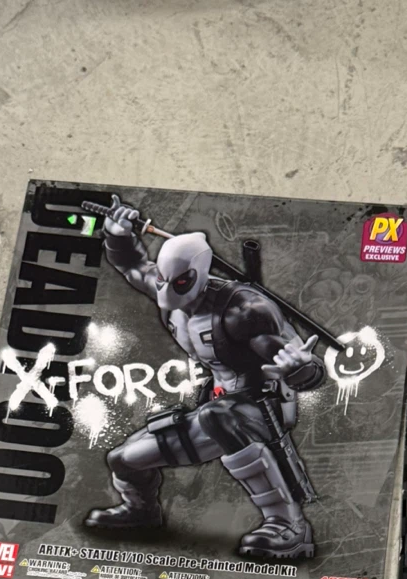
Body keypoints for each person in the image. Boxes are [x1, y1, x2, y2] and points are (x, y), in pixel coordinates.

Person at [85, 196, 324, 560]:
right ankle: (141, 511)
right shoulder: (166, 288)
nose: (167, 291)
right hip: (220, 404)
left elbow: (302, 367)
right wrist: (118, 234)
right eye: (163, 281)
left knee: (218, 416)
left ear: (198, 273)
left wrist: (300, 367)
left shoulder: (243, 311)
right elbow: (133, 265)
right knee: (122, 459)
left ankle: (289, 526)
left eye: (180, 282)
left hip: (265, 405)